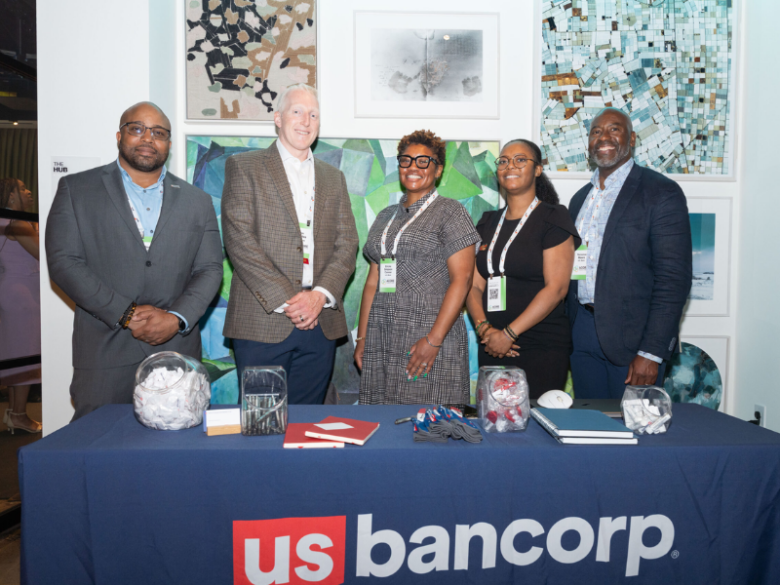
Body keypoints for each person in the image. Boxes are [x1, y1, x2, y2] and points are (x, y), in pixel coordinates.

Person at [46, 102, 223, 420]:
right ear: (119, 135)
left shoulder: (197, 201)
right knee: (98, 450)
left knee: (174, 456)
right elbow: (64, 262)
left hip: (176, 350)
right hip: (104, 352)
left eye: (158, 133)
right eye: (137, 128)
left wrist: (175, 318)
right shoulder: (77, 190)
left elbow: (209, 269)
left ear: (168, 143)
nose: (147, 138)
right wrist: (124, 313)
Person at [221, 84, 358, 405]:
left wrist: (319, 297)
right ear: (278, 118)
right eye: (297, 111)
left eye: (314, 114)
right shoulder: (244, 166)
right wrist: (291, 300)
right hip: (261, 323)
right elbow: (239, 239)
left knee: (306, 429)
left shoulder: (333, 177)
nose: (306, 121)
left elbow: (347, 242)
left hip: (319, 323)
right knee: (262, 425)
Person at [566, 108, 692, 399]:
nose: (604, 137)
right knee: (590, 433)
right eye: (596, 131)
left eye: (614, 129)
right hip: (581, 333)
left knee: (635, 434)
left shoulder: (660, 192)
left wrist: (652, 351)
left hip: (633, 340)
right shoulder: (579, 199)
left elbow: (673, 279)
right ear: (588, 143)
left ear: (632, 138)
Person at [355, 129, 480, 406]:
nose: (413, 167)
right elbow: (373, 281)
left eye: (424, 161)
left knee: (429, 429)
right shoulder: (385, 216)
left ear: (438, 170)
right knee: (383, 429)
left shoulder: (451, 212)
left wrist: (433, 341)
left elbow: (463, 279)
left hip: (427, 335)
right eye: (406, 160)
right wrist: (363, 338)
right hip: (382, 335)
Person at [466, 140, 579, 398]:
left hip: (540, 345)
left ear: (537, 170)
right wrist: (485, 330)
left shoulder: (553, 217)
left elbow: (557, 288)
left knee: (536, 428)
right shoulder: (487, 222)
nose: (510, 166)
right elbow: (473, 285)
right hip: (491, 344)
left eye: (520, 160)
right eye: (503, 161)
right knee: (494, 424)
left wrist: (509, 334)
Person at [0, 178, 42, 433]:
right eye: (23, 189)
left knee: (18, 355)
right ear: (12, 197)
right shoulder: (17, 223)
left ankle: (15, 414)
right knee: (26, 356)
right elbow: (42, 254)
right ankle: (18, 415)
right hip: (22, 295)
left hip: (15, 291)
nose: (29, 192)